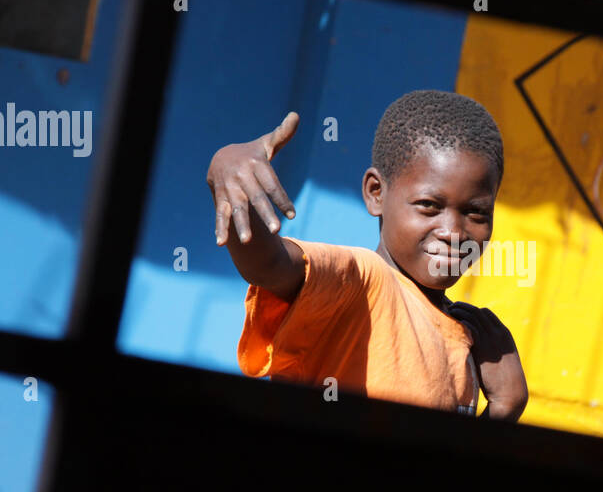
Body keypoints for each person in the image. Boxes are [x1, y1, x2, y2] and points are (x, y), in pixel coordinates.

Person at [208, 89, 527, 420]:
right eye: (429, 206)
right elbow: (269, 265)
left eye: (476, 212)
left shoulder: (472, 338)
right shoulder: (363, 281)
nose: (454, 232)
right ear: (376, 193)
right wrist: (227, 170)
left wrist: (505, 406)